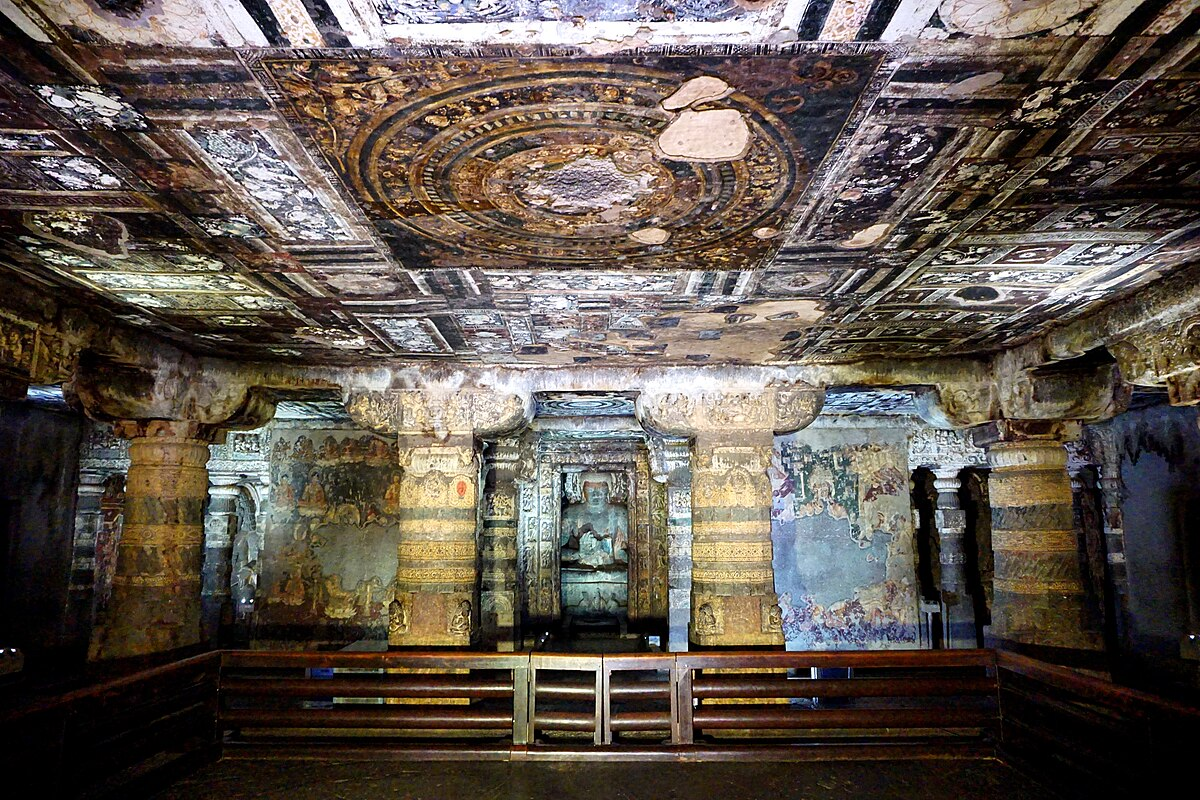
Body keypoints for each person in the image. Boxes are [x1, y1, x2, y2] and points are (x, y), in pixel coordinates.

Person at [561, 472, 629, 567]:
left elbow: (640, 551)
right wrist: (579, 554)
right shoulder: (572, 513)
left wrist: (618, 554)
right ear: (582, 490)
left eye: (601, 489)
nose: (596, 494)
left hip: (612, 572)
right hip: (581, 571)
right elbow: (553, 551)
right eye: (590, 489)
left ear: (609, 489)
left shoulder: (619, 513)